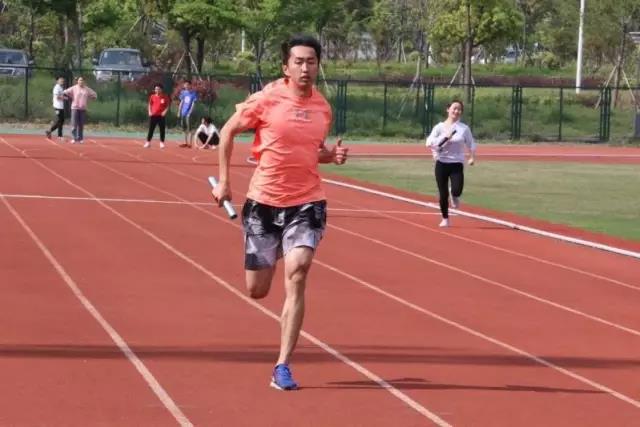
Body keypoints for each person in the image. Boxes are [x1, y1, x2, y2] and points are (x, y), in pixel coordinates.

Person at [212, 34, 348, 391]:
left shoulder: (323, 108)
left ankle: (283, 365)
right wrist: (224, 182)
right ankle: (273, 253)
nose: (305, 68)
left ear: (318, 66)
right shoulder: (266, 99)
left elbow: (312, 151)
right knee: (257, 289)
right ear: (285, 67)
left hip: (307, 201)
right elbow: (227, 132)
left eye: (311, 62)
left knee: (298, 270)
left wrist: (330, 157)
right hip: (264, 202)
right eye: (298, 62)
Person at [426, 99, 476, 227]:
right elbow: (429, 142)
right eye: (454, 108)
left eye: (459, 109)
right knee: (443, 194)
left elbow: (471, 143)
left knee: (457, 190)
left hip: (456, 163)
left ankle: (454, 195)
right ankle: (445, 219)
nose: (456, 111)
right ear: (448, 109)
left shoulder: (464, 128)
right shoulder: (439, 127)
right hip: (441, 163)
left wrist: (472, 157)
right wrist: (443, 139)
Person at [62, 76, 97, 144]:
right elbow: (65, 92)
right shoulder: (74, 88)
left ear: (84, 81)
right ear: (77, 81)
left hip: (83, 109)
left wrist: (91, 98)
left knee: (81, 124)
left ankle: (80, 138)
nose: (81, 81)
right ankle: (73, 138)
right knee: (74, 124)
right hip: (75, 108)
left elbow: (95, 95)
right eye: (80, 80)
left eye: (82, 80)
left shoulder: (87, 89)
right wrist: (68, 98)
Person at [144, 83, 171, 149]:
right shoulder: (152, 96)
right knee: (151, 129)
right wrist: (149, 111)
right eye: (156, 89)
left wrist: (164, 112)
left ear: (161, 90)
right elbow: (150, 104)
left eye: (158, 89)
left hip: (161, 116)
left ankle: (161, 143)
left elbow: (167, 106)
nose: (157, 90)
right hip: (153, 115)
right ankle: (148, 142)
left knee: (162, 130)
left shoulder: (165, 97)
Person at [177, 80, 197, 148]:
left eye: (187, 84)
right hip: (183, 113)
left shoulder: (193, 93)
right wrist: (179, 111)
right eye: (185, 84)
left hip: (189, 113)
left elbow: (193, 104)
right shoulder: (183, 92)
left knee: (190, 128)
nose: (186, 86)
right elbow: (181, 102)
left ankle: (190, 143)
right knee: (184, 128)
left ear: (190, 85)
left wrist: (190, 112)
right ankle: (185, 142)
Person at [45, 76, 66, 142]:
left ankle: (49, 131)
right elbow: (57, 97)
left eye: (63, 80)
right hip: (57, 107)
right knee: (60, 121)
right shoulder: (56, 87)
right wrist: (65, 98)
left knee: (61, 121)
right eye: (60, 80)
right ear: (57, 81)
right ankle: (59, 136)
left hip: (61, 107)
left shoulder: (61, 87)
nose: (62, 81)